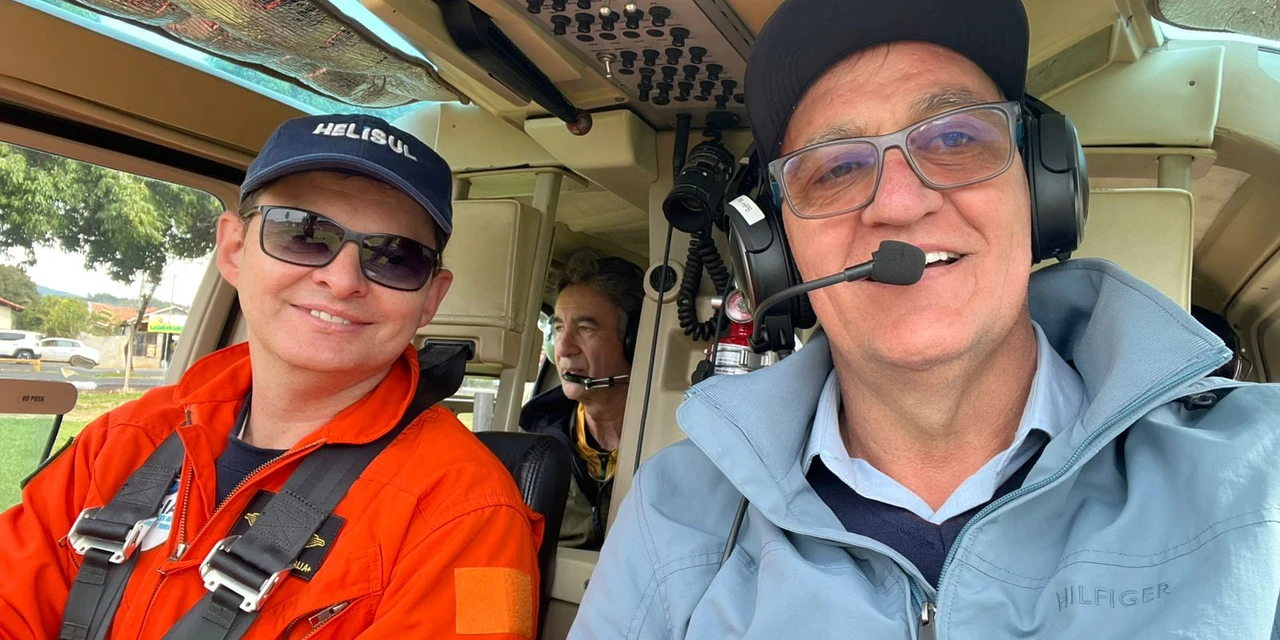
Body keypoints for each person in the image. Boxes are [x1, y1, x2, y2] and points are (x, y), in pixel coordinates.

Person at [572, 0, 1280, 637]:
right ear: (777, 256)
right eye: (837, 168)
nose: (900, 205)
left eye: (954, 139)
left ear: (1042, 186)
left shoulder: (1259, 470)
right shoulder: (675, 513)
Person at [0, 114, 543, 639]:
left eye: (395, 257)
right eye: (304, 233)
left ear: (430, 299)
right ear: (234, 249)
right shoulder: (121, 440)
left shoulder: (473, 516)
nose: (342, 280)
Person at [521, 250, 644, 550]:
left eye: (586, 328)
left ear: (634, 341)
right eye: (558, 328)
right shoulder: (534, 449)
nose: (563, 348)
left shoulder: (672, 447)